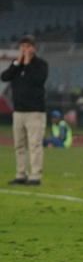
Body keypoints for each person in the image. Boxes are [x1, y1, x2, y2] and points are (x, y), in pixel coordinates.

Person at [2, 35, 49, 185]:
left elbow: (37, 80)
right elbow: (4, 77)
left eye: (28, 46)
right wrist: (17, 63)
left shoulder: (41, 64)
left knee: (34, 144)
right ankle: (20, 174)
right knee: (19, 145)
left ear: (34, 48)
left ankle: (35, 175)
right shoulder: (16, 66)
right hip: (18, 112)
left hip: (35, 112)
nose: (24, 49)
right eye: (22, 46)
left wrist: (27, 63)